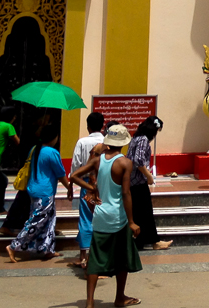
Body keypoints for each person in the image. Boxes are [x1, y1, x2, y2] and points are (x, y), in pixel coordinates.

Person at [69, 124, 143, 308]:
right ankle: (119, 297)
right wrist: (132, 221)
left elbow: (74, 175)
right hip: (118, 217)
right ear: (123, 143)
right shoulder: (125, 163)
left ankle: (89, 302)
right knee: (122, 259)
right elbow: (126, 193)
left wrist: (91, 187)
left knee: (95, 259)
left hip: (100, 216)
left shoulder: (98, 160)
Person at [6, 124, 70, 262]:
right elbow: (61, 174)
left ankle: (47, 249)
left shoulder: (34, 149)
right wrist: (69, 187)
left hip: (34, 189)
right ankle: (14, 246)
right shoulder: (52, 152)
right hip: (44, 192)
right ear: (54, 138)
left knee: (49, 220)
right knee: (36, 221)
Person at [127, 116, 172, 250]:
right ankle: (154, 242)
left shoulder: (135, 138)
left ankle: (140, 241)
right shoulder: (143, 140)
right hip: (138, 181)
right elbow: (139, 160)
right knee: (146, 212)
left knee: (139, 213)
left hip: (132, 181)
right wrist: (149, 176)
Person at [69, 111, 106, 268]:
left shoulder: (82, 142)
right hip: (104, 185)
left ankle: (84, 256)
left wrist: (71, 186)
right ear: (103, 125)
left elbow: (75, 166)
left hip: (87, 185)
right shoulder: (107, 142)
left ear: (88, 126)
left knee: (85, 218)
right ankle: (93, 255)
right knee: (100, 219)